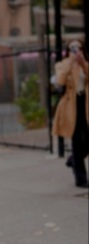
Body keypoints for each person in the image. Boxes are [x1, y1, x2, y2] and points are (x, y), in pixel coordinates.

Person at [53, 39, 88, 188]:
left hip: (85, 104)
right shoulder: (62, 64)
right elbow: (60, 81)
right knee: (76, 142)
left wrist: (82, 62)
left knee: (86, 141)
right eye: (72, 48)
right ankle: (81, 179)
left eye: (78, 47)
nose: (75, 50)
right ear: (68, 50)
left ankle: (73, 159)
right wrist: (70, 62)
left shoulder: (84, 64)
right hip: (71, 107)